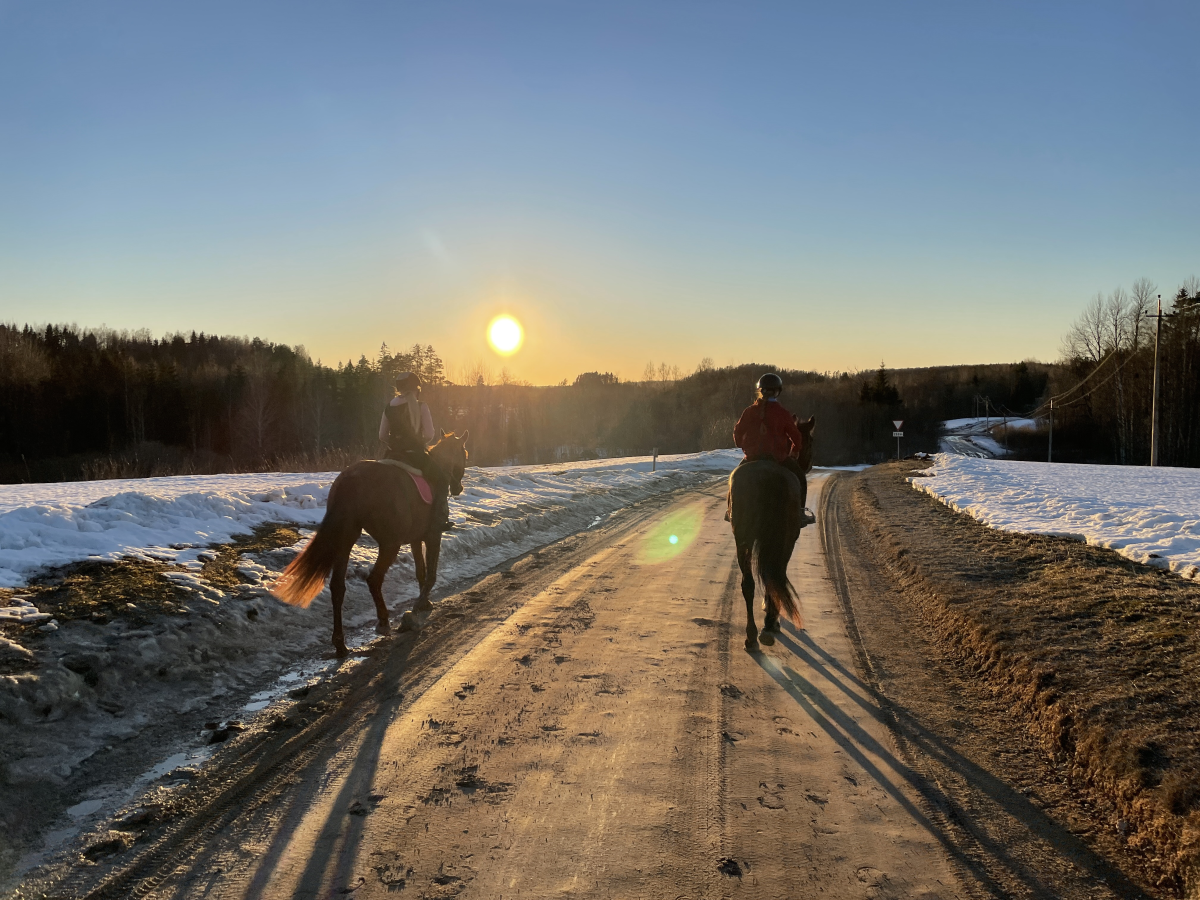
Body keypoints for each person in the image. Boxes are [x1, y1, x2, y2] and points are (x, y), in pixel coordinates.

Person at [726, 373, 811, 521]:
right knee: (800, 478)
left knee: (735, 479)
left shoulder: (749, 411)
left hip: (752, 458)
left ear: (760, 391)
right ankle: (800, 513)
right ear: (777, 392)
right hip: (777, 459)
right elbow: (796, 436)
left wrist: (742, 445)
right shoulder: (783, 413)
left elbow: (738, 431)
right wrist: (795, 451)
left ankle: (731, 511)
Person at [379, 372, 451, 531]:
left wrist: (395, 443)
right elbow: (430, 435)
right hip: (415, 455)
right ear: (416, 388)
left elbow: (382, 436)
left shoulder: (388, 407)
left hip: (391, 455)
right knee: (442, 480)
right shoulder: (421, 406)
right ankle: (439, 519)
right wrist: (418, 443)